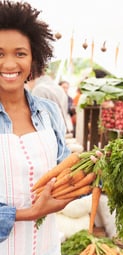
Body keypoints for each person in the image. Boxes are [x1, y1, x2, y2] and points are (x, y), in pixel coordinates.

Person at [0, 1, 74, 254]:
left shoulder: (48, 111)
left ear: (34, 58)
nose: (10, 64)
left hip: (45, 244)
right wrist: (29, 213)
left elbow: (63, 168)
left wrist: (90, 169)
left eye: (20, 53)